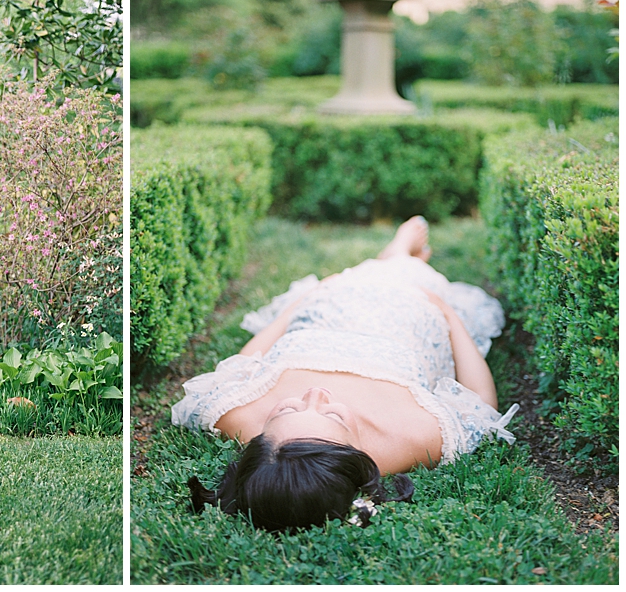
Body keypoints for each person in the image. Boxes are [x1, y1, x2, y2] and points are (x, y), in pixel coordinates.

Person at [172, 217, 518, 532]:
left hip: (329, 310)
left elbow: (244, 362)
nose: (315, 394)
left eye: (286, 410)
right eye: (333, 416)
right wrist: (447, 313)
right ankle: (399, 257)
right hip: (403, 312)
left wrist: (303, 301)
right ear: (359, 458)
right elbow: (482, 404)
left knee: (358, 277)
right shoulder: (412, 438)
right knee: (407, 274)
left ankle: (393, 256)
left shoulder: (236, 417)